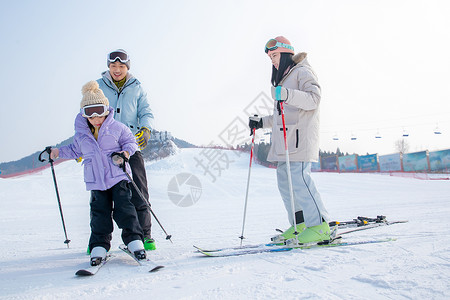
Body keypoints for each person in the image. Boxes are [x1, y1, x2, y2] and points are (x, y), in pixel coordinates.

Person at [50, 81, 146, 265]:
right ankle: (99, 246)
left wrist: (125, 153)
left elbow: (131, 143)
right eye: (89, 113)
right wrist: (57, 152)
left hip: (118, 177)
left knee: (125, 209)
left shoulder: (117, 127)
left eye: (99, 111)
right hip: (96, 181)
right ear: (83, 114)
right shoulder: (82, 135)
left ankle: (134, 241)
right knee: (99, 213)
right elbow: (74, 150)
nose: (95, 117)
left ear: (106, 109)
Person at [249, 36, 331, 244]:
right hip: (286, 143)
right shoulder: (285, 78)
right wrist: (261, 122)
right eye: (270, 58)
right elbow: (281, 115)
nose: (273, 61)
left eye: (275, 56)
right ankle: (300, 225)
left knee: (300, 180)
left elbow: (314, 99)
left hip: (300, 139)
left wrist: (287, 94)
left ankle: (320, 225)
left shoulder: (302, 71)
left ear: (285, 54)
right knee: (286, 183)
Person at [96, 49, 155, 251]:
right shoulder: (98, 87)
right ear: (108, 67)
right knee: (103, 195)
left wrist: (145, 128)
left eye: (121, 66)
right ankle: (100, 241)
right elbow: (88, 114)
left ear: (127, 67)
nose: (117, 70)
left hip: (131, 145)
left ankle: (145, 235)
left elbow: (145, 111)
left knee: (139, 190)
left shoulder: (136, 87)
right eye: (113, 66)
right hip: (105, 149)